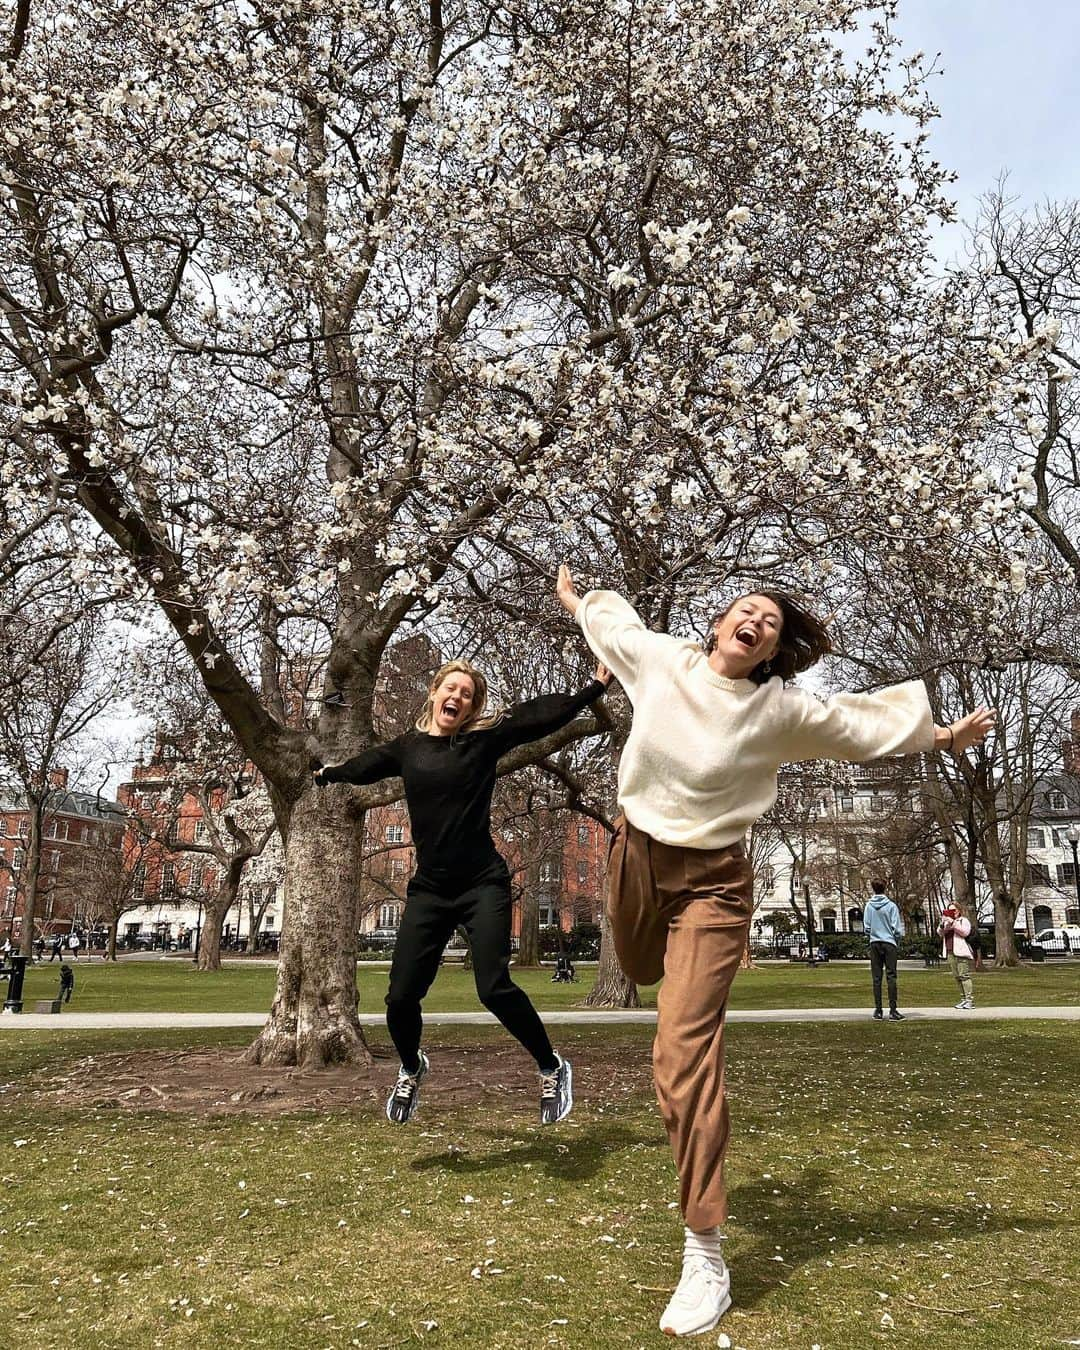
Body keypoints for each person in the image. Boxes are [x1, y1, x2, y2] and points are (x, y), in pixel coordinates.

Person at [556, 565, 995, 1338]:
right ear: (720, 625)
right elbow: (611, 623)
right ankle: (645, 959)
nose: (753, 620)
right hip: (634, 859)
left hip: (713, 886)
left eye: (768, 621)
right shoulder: (662, 661)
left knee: (680, 1052)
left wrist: (942, 734)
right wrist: (578, 599)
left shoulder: (779, 709)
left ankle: (704, 1251)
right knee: (633, 965)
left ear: (770, 650)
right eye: (743, 610)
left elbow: (858, 727)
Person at [312, 657, 611, 1127]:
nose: (457, 698)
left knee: (493, 987)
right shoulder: (409, 748)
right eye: (450, 689)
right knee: (400, 998)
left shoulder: (482, 742)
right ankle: (411, 1067)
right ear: (434, 693)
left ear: (472, 708)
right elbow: (369, 765)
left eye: (467, 695)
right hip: (430, 890)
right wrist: (333, 773)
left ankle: (551, 1067)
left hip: (481, 884)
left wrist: (591, 689)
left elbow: (537, 716)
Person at [864, 880, 905, 1021]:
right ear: (885, 888)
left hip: (875, 942)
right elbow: (897, 929)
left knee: (876, 978)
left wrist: (873, 935)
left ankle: (878, 1010)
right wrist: (896, 940)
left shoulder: (869, 906)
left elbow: (867, 927)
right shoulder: (891, 906)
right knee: (891, 976)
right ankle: (893, 1011)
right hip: (889, 943)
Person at [938, 906, 975, 1009]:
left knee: (964, 975)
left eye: (954, 910)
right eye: (950, 910)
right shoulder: (946, 922)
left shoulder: (963, 921)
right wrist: (943, 924)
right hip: (950, 952)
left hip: (961, 952)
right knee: (957, 976)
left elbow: (965, 932)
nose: (953, 912)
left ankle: (969, 1000)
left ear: (959, 910)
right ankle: (963, 999)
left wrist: (953, 923)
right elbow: (940, 933)